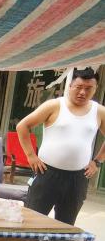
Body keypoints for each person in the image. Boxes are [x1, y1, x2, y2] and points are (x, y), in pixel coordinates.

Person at [16, 67, 105, 225]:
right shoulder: (54, 105)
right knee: (32, 221)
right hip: (46, 173)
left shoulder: (99, 111)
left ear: (95, 89)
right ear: (70, 86)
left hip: (78, 178)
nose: (83, 92)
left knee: (66, 225)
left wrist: (97, 161)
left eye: (88, 88)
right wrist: (31, 156)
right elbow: (22, 126)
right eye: (78, 87)